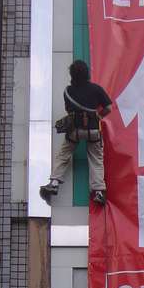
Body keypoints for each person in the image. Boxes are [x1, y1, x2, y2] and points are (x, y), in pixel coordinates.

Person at [40, 60, 112, 206]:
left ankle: (54, 183)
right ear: (87, 73)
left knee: (64, 155)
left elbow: (69, 110)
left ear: (72, 75)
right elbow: (108, 108)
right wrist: (98, 116)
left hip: (75, 130)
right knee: (96, 159)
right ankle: (99, 191)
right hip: (93, 129)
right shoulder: (96, 89)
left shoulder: (68, 91)